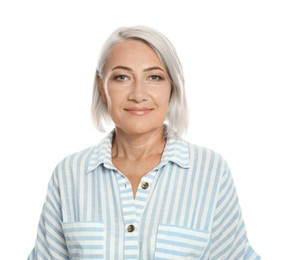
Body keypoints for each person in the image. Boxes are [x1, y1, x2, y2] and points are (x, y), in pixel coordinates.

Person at [28, 25, 260, 259]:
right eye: (122, 77)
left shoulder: (210, 171)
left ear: (172, 87)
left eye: (154, 77)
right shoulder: (69, 174)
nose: (138, 94)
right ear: (102, 86)